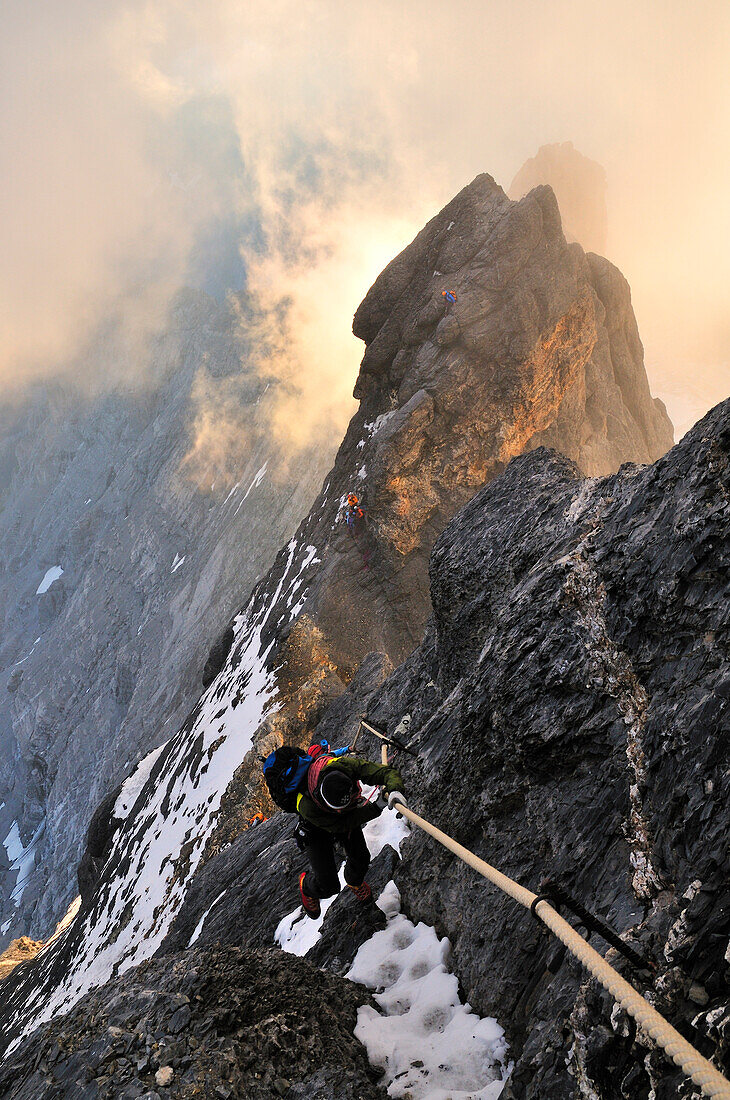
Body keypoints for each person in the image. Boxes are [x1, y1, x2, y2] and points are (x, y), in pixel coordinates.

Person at [262, 743, 406, 919]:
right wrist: (376, 807)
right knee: (328, 886)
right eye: (336, 808)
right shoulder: (306, 806)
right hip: (315, 827)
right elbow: (340, 825)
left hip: (345, 813)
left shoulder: (344, 765)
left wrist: (395, 789)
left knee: (361, 859)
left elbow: (384, 773)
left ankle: (354, 882)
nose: (339, 810)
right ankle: (307, 886)